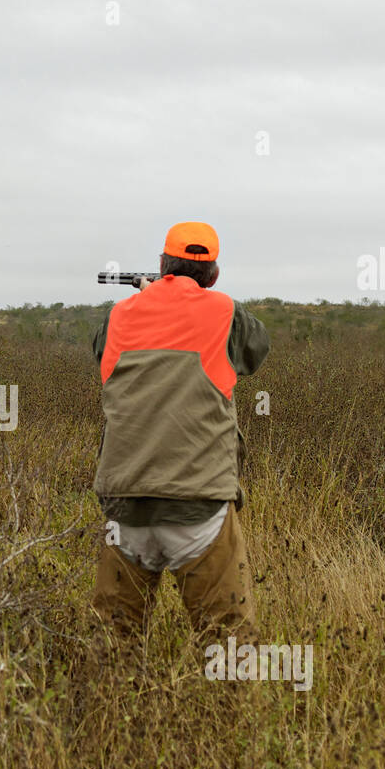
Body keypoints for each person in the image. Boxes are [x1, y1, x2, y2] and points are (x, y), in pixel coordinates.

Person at [90, 221, 270, 658]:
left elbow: (102, 354)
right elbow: (256, 349)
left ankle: (105, 720)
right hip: (198, 504)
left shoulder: (118, 317)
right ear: (213, 275)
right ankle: (234, 724)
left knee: (115, 641)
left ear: (161, 264)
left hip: (124, 503)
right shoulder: (226, 312)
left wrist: (148, 297)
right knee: (229, 644)